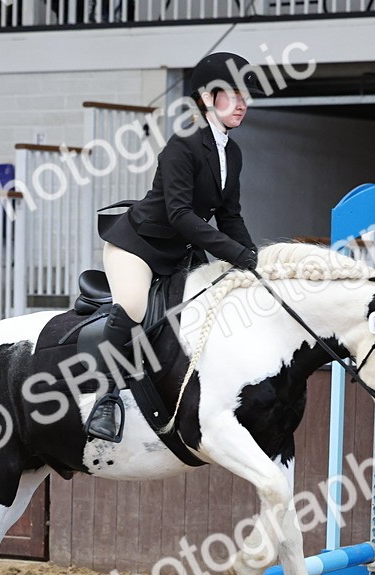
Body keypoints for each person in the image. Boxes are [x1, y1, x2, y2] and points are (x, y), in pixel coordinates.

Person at [85, 51, 261, 442]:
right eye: (232, 95)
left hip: (181, 252)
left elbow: (229, 215)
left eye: (245, 97)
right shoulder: (182, 145)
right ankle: (106, 399)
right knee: (132, 305)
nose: (242, 104)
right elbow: (181, 214)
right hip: (139, 246)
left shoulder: (232, 152)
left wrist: (254, 260)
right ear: (207, 98)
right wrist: (235, 254)